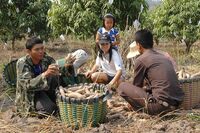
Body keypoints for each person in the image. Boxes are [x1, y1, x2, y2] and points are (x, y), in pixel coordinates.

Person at [117, 29, 184, 115]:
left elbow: (136, 86)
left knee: (122, 86)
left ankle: (137, 109)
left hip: (160, 107)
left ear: (139, 45)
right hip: (177, 104)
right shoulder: (163, 57)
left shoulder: (141, 60)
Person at [16, 37, 60, 116]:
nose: (41, 51)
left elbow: (57, 69)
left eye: (42, 48)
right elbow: (27, 85)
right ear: (29, 51)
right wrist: (45, 74)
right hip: (31, 95)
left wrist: (66, 64)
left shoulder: (46, 58)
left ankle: (53, 100)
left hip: (45, 89)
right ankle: (34, 111)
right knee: (51, 110)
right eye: (37, 49)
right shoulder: (23, 63)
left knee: (54, 75)